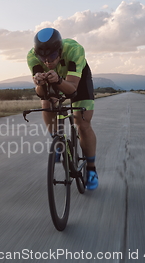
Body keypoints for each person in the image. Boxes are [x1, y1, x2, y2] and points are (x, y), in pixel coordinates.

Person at [27, 27, 98, 190]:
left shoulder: (74, 50)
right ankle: (57, 140)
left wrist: (58, 80)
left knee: (83, 123)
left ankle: (91, 169)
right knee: (46, 103)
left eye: (52, 56)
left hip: (77, 81)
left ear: (59, 50)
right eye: (42, 57)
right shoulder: (31, 56)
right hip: (54, 79)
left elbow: (72, 89)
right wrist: (39, 83)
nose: (47, 62)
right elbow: (41, 94)